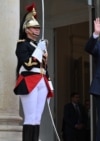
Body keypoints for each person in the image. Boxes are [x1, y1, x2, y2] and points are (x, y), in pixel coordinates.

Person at [13, 3, 54, 141]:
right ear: (27, 29)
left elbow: (44, 67)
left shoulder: (38, 45)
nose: (37, 30)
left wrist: (49, 83)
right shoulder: (22, 44)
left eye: (38, 28)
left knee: (37, 118)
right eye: (34, 28)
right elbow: (27, 64)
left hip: (41, 80)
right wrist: (39, 50)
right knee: (30, 117)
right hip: (29, 80)